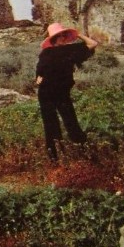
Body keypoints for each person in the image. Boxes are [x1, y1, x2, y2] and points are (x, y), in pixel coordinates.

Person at [35, 22, 99, 162]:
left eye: (65, 34)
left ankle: (84, 156)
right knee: (51, 126)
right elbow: (39, 72)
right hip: (47, 93)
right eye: (60, 35)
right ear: (54, 38)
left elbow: (93, 43)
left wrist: (78, 34)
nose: (63, 37)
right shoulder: (47, 53)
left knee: (71, 123)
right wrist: (39, 80)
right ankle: (55, 160)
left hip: (62, 93)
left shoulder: (71, 50)